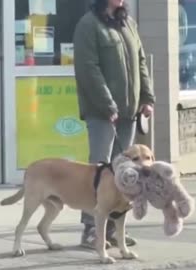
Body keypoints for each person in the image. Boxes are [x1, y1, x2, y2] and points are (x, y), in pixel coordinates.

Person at [73, 0, 155, 249]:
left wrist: (147, 98)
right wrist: (108, 105)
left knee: (124, 173)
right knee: (100, 170)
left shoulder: (128, 23)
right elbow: (88, 69)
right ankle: (90, 229)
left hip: (129, 113)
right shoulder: (89, 25)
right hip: (102, 113)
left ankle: (113, 230)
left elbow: (141, 62)